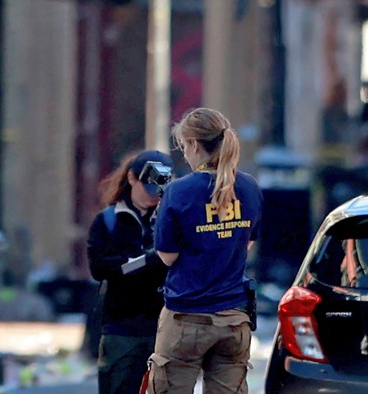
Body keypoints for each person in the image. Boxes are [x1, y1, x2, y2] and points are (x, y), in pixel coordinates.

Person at [148, 107, 263, 393]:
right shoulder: (249, 187)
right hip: (235, 319)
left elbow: (166, 256)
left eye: (184, 146)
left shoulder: (178, 191)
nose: (184, 154)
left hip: (187, 317)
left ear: (195, 145)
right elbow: (246, 243)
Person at [87, 149, 174, 394]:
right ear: (132, 179)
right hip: (122, 325)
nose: (152, 197)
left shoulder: (170, 220)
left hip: (164, 325)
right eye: (147, 188)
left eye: (158, 191)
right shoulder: (108, 221)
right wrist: (145, 261)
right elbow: (100, 268)